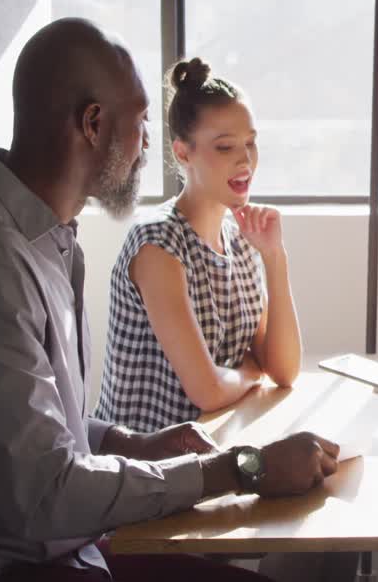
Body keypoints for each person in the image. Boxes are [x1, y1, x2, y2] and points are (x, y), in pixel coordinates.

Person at [0, 18, 339, 582]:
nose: (146, 145)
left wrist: (127, 442)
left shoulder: (47, 240)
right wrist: (243, 469)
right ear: (92, 124)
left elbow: (26, 427)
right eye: (140, 122)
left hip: (53, 552)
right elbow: (44, 494)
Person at [94, 58, 300, 434]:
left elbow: (284, 370)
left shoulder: (239, 238)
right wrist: (252, 371)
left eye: (251, 143)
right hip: (144, 466)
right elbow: (207, 391)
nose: (245, 160)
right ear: (183, 153)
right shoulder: (157, 243)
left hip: (212, 447)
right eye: (224, 147)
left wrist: (274, 257)